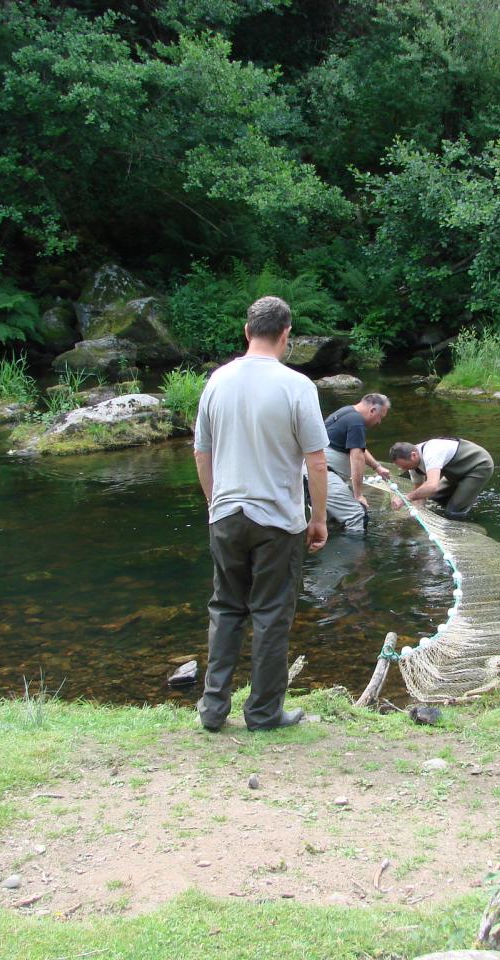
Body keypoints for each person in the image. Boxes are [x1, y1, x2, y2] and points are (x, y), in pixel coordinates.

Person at [192, 296, 330, 732]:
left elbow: (202, 451)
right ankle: (264, 713)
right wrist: (320, 517)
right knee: (271, 615)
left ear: (247, 331)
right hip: (277, 520)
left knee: (226, 608)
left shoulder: (217, 380)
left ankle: (213, 710)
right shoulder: (296, 385)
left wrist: (216, 502)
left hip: (226, 513)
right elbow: (317, 461)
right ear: (286, 335)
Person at [321, 393, 392, 532]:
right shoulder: (356, 421)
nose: (379, 422)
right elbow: (357, 456)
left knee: (330, 522)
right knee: (358, 515)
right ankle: (357, 553)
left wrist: (377, 467)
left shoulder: (347, 412)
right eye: (380, 417)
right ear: (372, 410)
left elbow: (358, 447)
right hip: (324, 475)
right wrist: (358, 494)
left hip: (313, 473)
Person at [388, 438, 495, 519]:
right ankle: (463, 496)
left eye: (403, 465)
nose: (402, 468)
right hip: (455, 472)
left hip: (477, 466)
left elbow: (431, 486)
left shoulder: (431, 452)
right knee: (434, 498)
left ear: (414, 455)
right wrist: (415, 515)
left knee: (453, 512)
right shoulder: (412, 465)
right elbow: (419, 493)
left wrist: (405, 498)